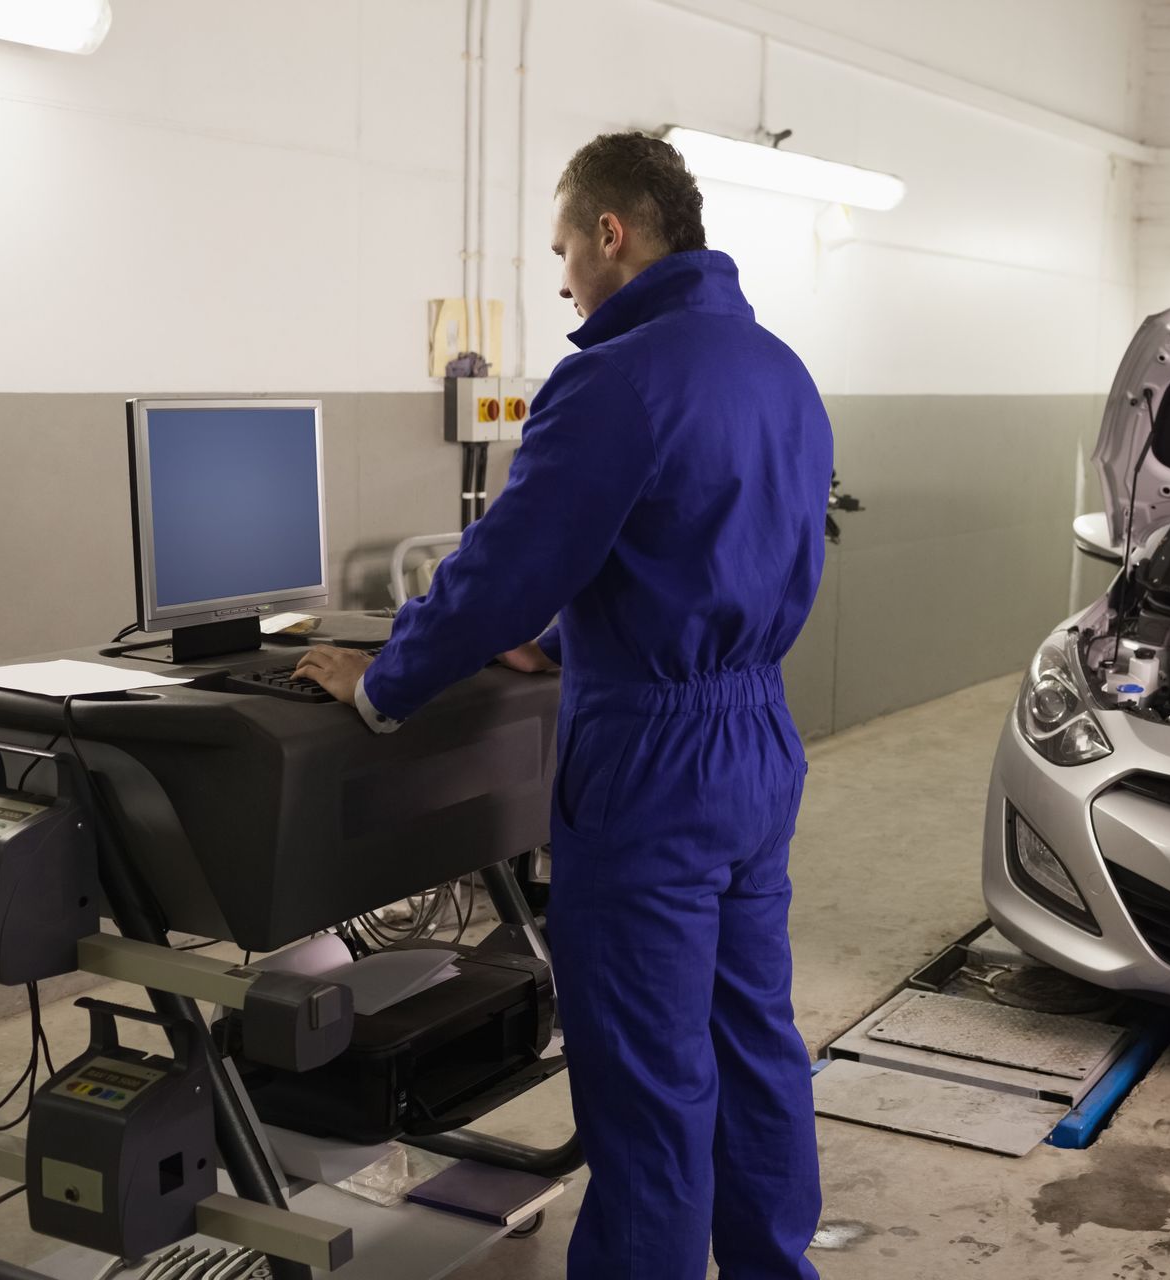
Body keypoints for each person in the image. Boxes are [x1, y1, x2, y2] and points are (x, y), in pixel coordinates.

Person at [294, 131, 831, 1280]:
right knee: (753, 1044)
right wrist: (559, 638)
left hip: (651, 763)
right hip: (755, 740)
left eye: (563, 254)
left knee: (647, 1077)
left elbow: (506, 560)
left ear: (611, 234)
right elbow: (692, 544)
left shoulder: (616, 376)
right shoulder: (779, 367)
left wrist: (383, 680)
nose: (562, 281)